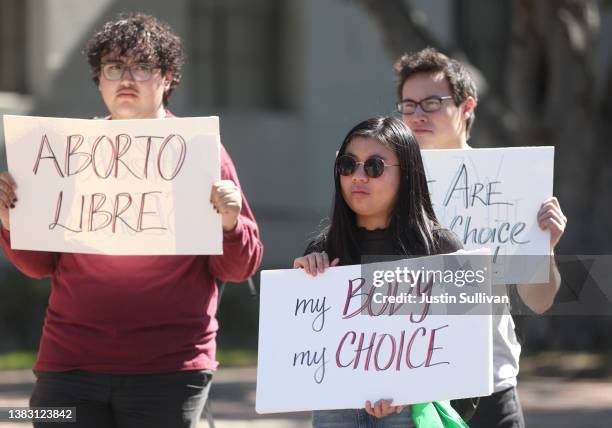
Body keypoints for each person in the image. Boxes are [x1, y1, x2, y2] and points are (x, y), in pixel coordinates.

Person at [0, 13, 263, 428]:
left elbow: (238, 266)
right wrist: (13, 222)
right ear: (99, 79)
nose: (126, 78)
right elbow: (37, 266)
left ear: (168, 77)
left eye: (142, 66)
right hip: (68, 367)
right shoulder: (66, 153)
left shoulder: (201, 152)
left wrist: (231, 224)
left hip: (170, 371)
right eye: (112, 67)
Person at [393, 47, 567, 428]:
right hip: (406, 386)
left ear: (467, 107)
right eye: (408, 105)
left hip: (489, 384)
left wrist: (546, 248)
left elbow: (538, 300)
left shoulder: (509, 185)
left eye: (432, 103)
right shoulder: (383, 184)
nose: (418, 115)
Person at [293, 116, 470, 428]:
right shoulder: (322, 251)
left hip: (413, 415)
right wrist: (301, 281)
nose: (358, 176)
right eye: (348, 165)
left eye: (374, 166)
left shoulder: (442, 247)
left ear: (408, 173)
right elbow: (305, 351)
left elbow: (467, 354)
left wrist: (416, 391)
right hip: (336, 408)